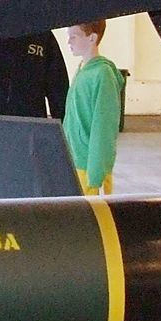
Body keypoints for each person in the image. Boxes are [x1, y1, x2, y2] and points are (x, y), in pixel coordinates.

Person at [63, 20, 123, 193]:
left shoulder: (103, 75)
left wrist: (96, 175)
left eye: (74, 37)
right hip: (75, 163)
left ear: (92, 38)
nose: (69, 42)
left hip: (90, 170)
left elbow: (104, 127)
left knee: (93, 217)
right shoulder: (82, 70)